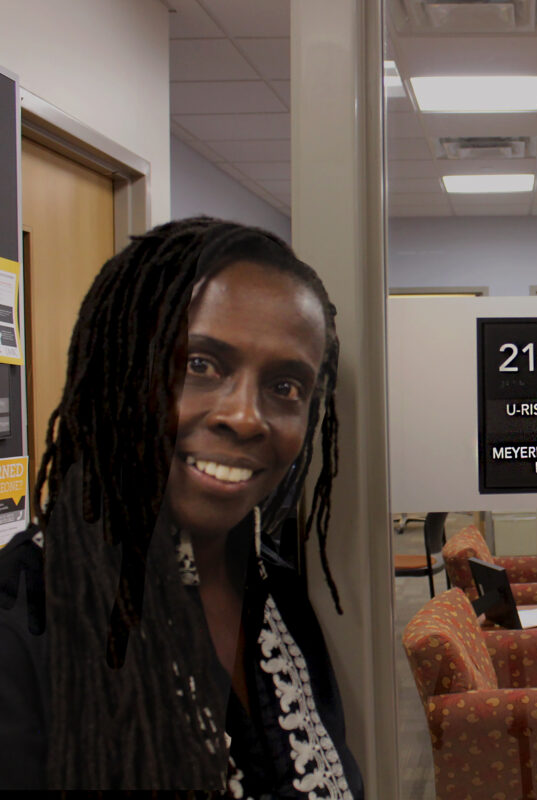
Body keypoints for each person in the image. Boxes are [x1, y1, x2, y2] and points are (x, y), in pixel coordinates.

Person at [0, 218, 363, 795]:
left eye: (285, 386)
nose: (245, 416)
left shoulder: (281, 595)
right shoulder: (24, 619)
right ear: (119, 370)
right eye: (199, 365)